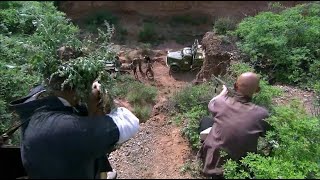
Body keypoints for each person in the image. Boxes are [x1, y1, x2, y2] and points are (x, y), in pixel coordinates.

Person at [9, 76, 140, 179]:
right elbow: (130, 121)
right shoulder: (64, 127)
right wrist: (103, 99)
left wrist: (89, 106)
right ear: (73, 89)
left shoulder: (39, 101)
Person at [198, 72, 270, 179]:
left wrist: (223, 93)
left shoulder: (221, 102)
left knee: (206, 121)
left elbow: (212, 103)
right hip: (239, 171)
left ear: (236, 86)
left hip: (211, 166)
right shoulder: (262, 114)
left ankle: (204, 156)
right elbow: (268, 134)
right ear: (257, 90)